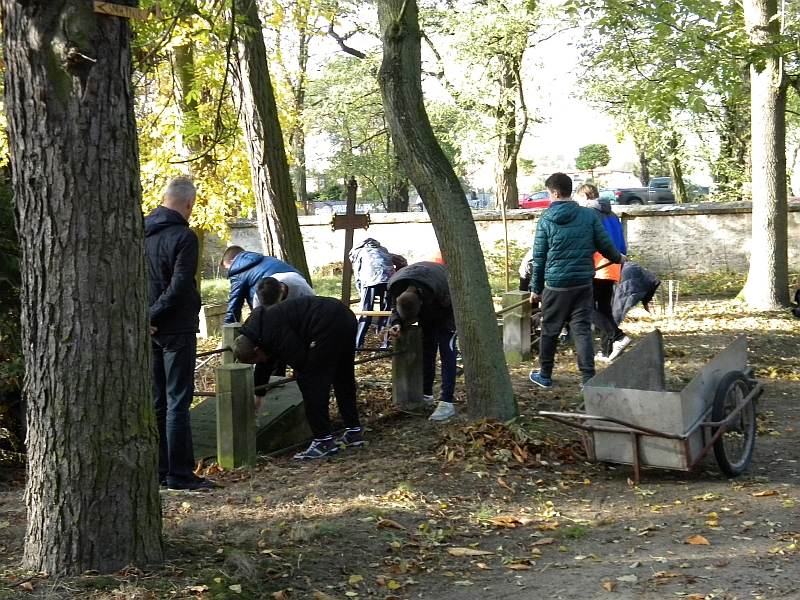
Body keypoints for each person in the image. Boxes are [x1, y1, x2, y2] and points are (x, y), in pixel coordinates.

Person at [145, 176, 215, 491]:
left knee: (159, 400)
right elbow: (180, 284)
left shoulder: (140, 232)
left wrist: (144, 317)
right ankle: (180, 474)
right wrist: (154, 314)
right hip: (175, 327)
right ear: (189, 204)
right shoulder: (184, 237)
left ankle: (160, 470)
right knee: (177, 401)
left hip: (149, 328)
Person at [232, 296, 363, 460]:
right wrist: (259, 394)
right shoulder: (257, 329)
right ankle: (354, 431)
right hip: (343, 315)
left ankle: (323, 441)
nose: (262, 361)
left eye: (256, 359)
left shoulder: (271, 332)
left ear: (257, 350)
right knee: (342, 374)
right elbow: (265, 362)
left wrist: (301, 370)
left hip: (326, 324)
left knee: (310, 380)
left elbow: (300, 360)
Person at [528, 173, 624, 389]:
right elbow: (605, 245)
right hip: (582, 282)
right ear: (569, 191)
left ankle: (545, 375)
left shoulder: (545, 220)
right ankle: (588, 379)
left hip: (556, 285)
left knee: (550, 329)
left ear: (554, 192)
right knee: (581, 329)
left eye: (548, 193)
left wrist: (536, 288)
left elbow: (539, 256)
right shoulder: (588, 216)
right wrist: (619, 258)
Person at [387, 261, 457, 421]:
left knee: (447, 350)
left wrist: (448, 329)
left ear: (421, 303)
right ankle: (426, 394)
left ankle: (447, 401)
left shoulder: (442, 287)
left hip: (448, 308)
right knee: (427, 348)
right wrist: (397, 323)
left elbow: (454, 306)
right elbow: (394, 308)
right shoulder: (395, 285)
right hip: (429, 304)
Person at [574, 184, 631, 362]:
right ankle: (607, 351)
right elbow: (622, 244)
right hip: (614, 264)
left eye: (578, 198)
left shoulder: (589, 214)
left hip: (597, 265)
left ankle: (618, 336)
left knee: (585, 307)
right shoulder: (612, 214)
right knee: (604, 308)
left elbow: (589, 241)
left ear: (584, 197)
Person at [220, 245, 305, 324]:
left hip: (273, 293)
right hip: (299, 284)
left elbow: (235, 304)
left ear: (232, 262)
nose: (229, 271)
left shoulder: (237, 270)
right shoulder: (266, 259)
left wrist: (229, 329)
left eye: (228, 268)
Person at [349, 238, 396, 348]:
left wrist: (361, 292)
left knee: (367, 311)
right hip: (389, 280)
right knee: (387, 310)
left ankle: (358, 343)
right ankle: (385, 342)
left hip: (371, 281)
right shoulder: (383, 250)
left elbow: (358, 275)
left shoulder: (359, 252)